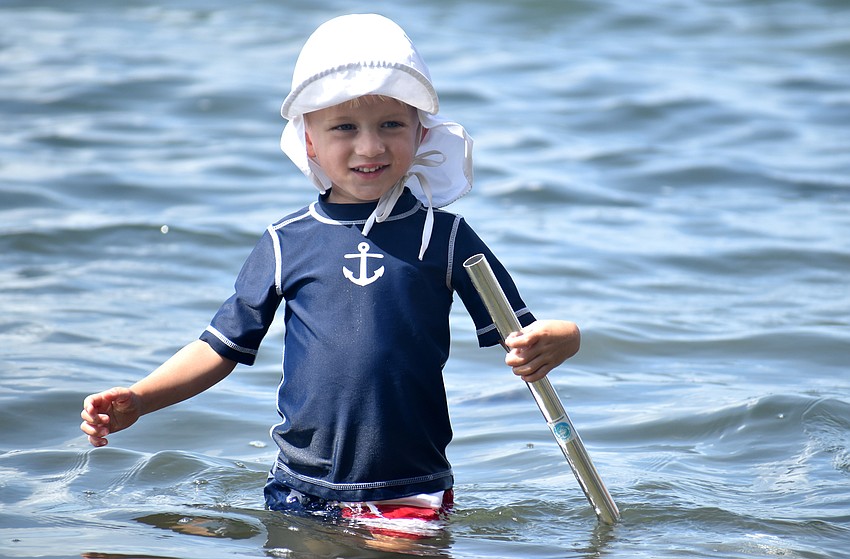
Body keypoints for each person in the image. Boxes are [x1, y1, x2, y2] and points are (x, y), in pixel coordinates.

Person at [80, 13, 580, 537]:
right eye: (345, 127)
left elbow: (520, 337)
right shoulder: (286, 241)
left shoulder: (447, 237)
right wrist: (142, 398)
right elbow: (219, 346)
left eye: (391, 124)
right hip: (298, 482)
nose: (370, 147)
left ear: (420, 133)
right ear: (309, 141)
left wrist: (563, 338)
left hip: (407, 483)